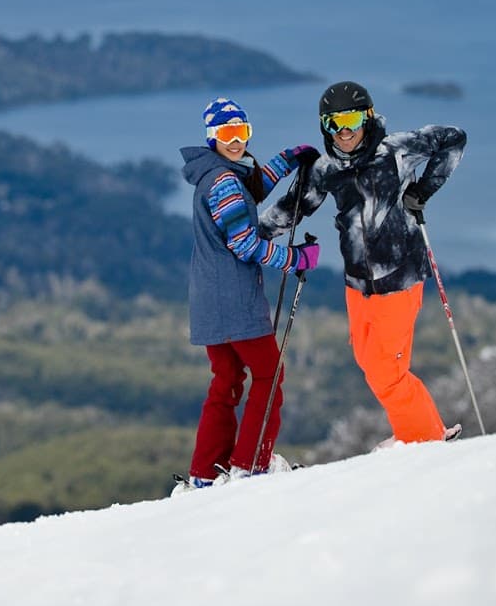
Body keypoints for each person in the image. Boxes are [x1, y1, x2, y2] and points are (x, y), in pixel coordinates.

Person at [261, 81, 467, 447]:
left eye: (352, 120)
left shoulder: (395, 151)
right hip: (357, 283)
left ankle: (425, 442)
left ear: (368, 117)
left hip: (399, 277)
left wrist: (422, 191)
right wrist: (247, 235)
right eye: (333, 124)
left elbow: (453, 138)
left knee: (389, 374)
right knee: (370, 364)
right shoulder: (325, 169)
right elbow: (292, 210)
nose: (344, 132)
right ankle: (419, 432)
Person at [175, 97, 320, 491]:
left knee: (226, 380)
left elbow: (249, 190)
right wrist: (295, 259)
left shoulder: (215, 174)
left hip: (207, 301)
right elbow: (244, 244)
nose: (236, 141)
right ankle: (250, 463)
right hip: (234, 301)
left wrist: (287, 159)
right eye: (227, 134)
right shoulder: (224, 182)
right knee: (269, 376)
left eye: (242, 132)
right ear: (212, 137)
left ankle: (206, 471)